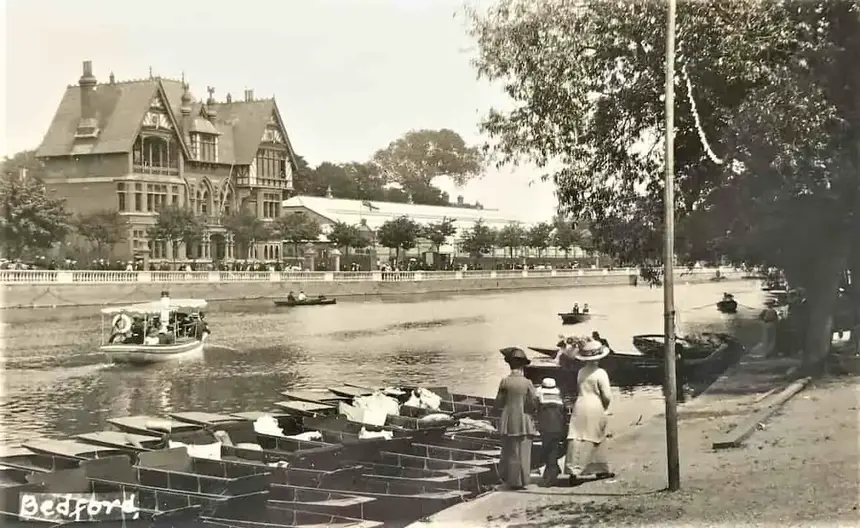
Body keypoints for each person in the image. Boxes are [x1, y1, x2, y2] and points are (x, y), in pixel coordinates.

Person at [565, 339, 615, 485]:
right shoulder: (600, 373)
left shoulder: (581, 372)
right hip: (594, 404)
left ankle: (573, 471)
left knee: (577, 436)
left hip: (580, 403)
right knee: (597, 436)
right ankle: (599, 469)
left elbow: (578, 389)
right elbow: (607, 395)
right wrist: (604, 407)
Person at [495, 347, 539, 490]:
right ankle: (524, 480)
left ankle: (513, 481)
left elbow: (499, 403)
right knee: (524, 451)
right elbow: (533, 402)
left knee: (510, 451)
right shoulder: (527, 383)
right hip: (524, 420)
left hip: (508, 421)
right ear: (522, 366)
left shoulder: (504, 382)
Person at [536, 377, 566, 486]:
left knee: (548, 450)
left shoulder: (540, 397)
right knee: (553, 449)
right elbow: (564, 414)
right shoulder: (559, 398)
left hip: (546, 428)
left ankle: (551, 477)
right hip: (558, 427)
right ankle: (553, 470)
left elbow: (535, 409)